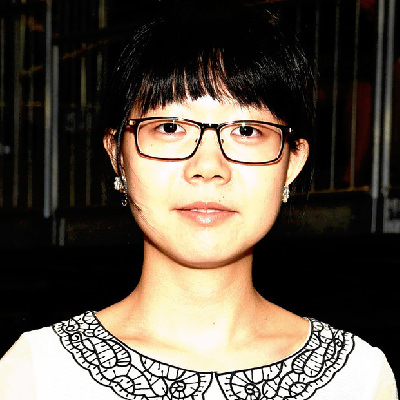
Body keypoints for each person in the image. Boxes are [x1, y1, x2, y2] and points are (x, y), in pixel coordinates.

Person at [0, 1, 397, 399]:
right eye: (170, 127)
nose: (208, 166)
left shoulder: (359, 379)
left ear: (292, 162)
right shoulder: (37, 374)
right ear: (117, 156)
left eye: (247, 130)